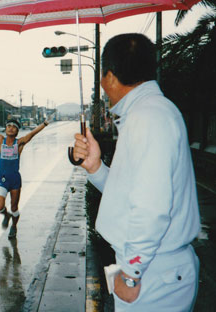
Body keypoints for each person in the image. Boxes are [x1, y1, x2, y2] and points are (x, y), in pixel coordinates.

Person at [72, 33, 200, 311]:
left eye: (103, 78)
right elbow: (132, 195)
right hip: (154, 267)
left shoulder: (148, 118)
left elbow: (151, 207)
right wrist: (95, 167)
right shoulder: (146, 114)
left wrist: (130, 274)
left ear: (109, 77)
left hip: (153, 273)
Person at [0, 113, 49, 239]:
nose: (11, 128)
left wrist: (44, 124)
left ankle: (14, 226)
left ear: (17, 131)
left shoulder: (20, 143)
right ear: (5, 129)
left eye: (14, 126)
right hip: (2, 178)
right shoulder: (0, 140)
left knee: (14, 207)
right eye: (8, 126)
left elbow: (32, 134)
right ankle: (6, 216)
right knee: (0, 206)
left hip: (15, 179)